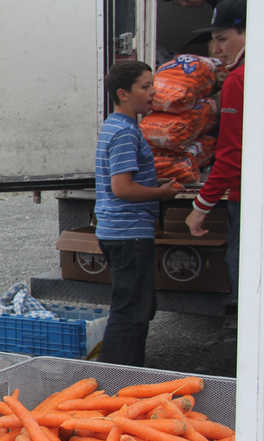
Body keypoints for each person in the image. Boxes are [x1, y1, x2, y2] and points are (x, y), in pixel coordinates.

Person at [95, 61, 178, 367]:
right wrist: (162, 193)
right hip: (128, 234)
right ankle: (118, 380)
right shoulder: (124, 134)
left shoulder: (118, 127)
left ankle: (121, 375)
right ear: (123, 93)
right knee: (130, 311)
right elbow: (122, 188)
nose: (152, 92)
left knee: (136, 307)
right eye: (145, 86)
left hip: (123, 232)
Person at [185, 0, 245, 308]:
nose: (216, 48)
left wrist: (201, 206)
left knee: (245, 274)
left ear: (248, 33)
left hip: (246, 198)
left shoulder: (240, 79)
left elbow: (232, 155)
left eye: (223, 38)